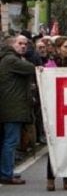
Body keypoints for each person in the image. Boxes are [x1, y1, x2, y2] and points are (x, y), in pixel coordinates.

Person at [0, 35, 37, 185]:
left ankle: (6, 170)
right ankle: (6, 173)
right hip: (12, 108)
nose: (24, 46)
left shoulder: (9, 58)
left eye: (26, 44)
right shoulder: (11, 60)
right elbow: (31, 68)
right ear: (11, 44)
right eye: (20, 43)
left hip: (9, 107)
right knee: (11, 141)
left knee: (7, 141)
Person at [42, 37, 67, 191]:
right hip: (55, 109)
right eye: (66, 46)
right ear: (58, 49)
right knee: (54, 146)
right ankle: (51, 178)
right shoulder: (50, 65)